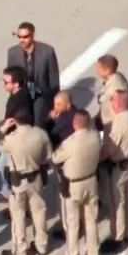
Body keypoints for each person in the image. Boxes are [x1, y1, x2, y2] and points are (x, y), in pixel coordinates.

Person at [0, 109, 52, 255]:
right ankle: (42, 245)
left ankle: (20, 250)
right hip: (36, 177)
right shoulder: (41, 134)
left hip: (17, 181)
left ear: (16, 121)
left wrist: (3, 128)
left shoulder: (12, 138)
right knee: (39, 211)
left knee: (18, 215)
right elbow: (48, 157)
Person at [50, 109, 103, 255]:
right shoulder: (95, 136)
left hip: (74, 186)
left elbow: (55, 158)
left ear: (74, 124)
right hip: (91, 181)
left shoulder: (70, 143)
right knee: (91, 220)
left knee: (72, 224)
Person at [100, 90, 128, 254]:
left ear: (118, 104)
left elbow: (111, 147)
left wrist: (100, 156)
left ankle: (117, 237)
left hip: (118, 166)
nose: (111, 103)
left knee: (117, 203)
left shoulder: (119, 122)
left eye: (113, 100)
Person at [0, 66, 36, 208]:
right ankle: (9, 194)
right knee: (3, 166)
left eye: (6, 82)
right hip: (14, 135)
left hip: (15, 138)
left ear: (16, 84)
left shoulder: (21, 100)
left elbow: (19, 120)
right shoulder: (17, 94)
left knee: (4, 167)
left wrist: (6, 129)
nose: (3, 84)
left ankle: (12, 197)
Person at [94, 54, 128, 214]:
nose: (95, 69)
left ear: (106, 69)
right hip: (105, 126)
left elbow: (118, 111)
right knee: (102, 167)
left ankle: (107, 199)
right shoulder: (113, 80)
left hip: (112, 131)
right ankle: (103, 197)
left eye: (98, 67)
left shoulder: (116, 87)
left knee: (106, 165)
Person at [6, 21, 60, 125]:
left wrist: (54, 106)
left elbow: (54, 80)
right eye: (19, 36)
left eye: (25, 37)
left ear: (32, 35)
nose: (22, 40)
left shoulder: (47, 52)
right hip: (22, 98)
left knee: (39, 126)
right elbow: (11, 78)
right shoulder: (13, 52)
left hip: (41, 97)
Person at [46, 90, 79, 241]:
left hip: (65, 161)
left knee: (64, 198)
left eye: (59, 104)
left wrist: (50, 120)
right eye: (55, 104)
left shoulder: (64, 119)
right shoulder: (77, 114)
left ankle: (68, 228)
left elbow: (51, 135)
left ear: (68, 104)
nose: (56, 108)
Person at [94, 54, 128, 134]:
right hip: (105, 116)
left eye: (99, 69)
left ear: (107, 71)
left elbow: (103, 99)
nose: (96, 72)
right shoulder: (116, 76)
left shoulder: (115, 87)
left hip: (111, 122)